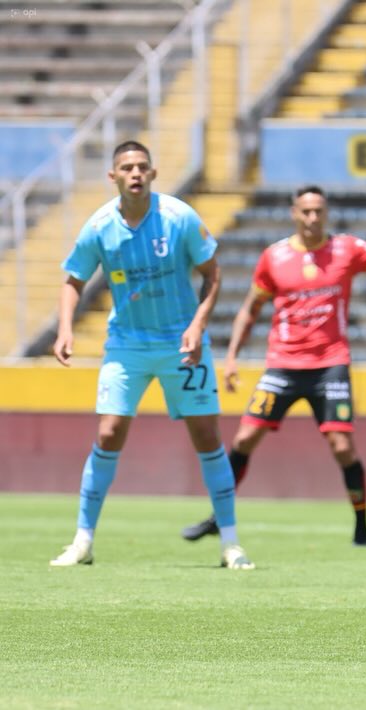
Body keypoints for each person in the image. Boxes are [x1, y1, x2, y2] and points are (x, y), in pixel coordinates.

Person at [49, 140, 253, 570]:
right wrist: (66, 327)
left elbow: (213, 275)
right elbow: (73, 280)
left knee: (207, 437)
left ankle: (230, 543)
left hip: (182, 344)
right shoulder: (100, 226)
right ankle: (82, 541)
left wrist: (198, 325)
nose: (135, 173)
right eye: (127, 167)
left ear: (153, 173)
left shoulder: (179, 217)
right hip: (126, 346)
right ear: (114, 176)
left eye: (142, 166)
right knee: (108, 434)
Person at [180, 186, 366, 546]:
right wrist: (231, 356)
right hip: (283, 365)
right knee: (244, 438)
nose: (312, 218)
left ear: (326, 213)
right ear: (294, 213)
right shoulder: (273, 257)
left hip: (330, 364)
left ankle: (361, 525)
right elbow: (250, 308)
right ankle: (219, 516)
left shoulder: (346, 249)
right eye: (305, 211)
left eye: (318, 211)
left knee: (342, 447)